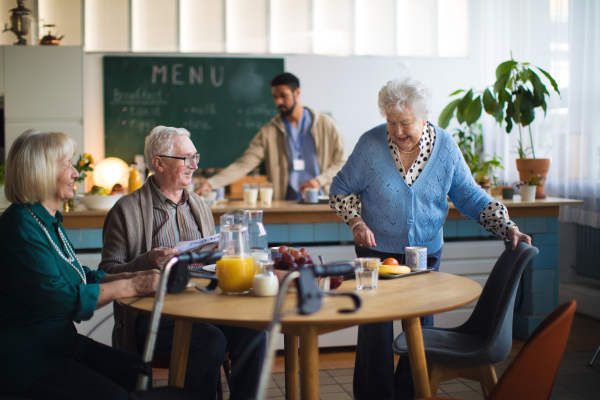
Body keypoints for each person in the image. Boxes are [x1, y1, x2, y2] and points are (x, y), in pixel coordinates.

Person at [328, 78, 532, 400]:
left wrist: (507, 226)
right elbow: (340, 189)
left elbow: (470, 196)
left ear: (424, 117)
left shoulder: (446, 147)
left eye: (405, 123)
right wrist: (356, 222)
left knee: (420, 331)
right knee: (374, 333)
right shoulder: (369, 145)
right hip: (375, 253)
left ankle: (411, 393)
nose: (397, 131)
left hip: (425, 254)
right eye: (391, 122)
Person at [100, 126, 266, 400]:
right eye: (186, 158)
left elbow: (212, 261)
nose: (195, 165)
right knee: (209, 341)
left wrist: (224, 254)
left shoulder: (200, 205)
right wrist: (148, 259)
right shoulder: (125, 210)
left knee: (254, 333)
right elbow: (105, 274)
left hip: (204, 306)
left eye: (195, 156)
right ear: (159, 163)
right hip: (151, 314)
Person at [0, 130, 160, 399]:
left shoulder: (48, 220)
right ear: (42, 171)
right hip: (25, 354)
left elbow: (79, 276)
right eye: (67, 165)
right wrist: (131, 285)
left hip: (59, 342)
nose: (76, 174)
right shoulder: (19, 226)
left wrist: (137, 276)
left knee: (138, 372)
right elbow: (61, 297)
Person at [196, 72, 347, 200]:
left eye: (283, 96)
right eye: (275, 97)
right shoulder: (268, 132)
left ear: (297, 93)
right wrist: (212, 183)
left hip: (322, 199)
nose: (279, 102)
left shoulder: (326, 124)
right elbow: (243, 164)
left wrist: (319, 181)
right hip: (286, 202)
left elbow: (342, 162)